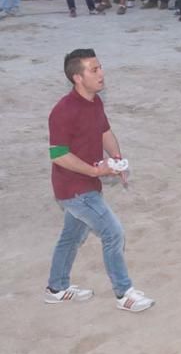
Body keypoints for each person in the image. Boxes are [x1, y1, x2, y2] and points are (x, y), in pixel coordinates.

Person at [45, 49, 154, 313]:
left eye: (100, 67)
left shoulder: (95, 102)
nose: (101, 73)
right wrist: (96, 172)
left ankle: (56, 288)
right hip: (74, 190)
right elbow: (58, 155)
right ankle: (124, 293)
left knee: (71, 237)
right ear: (77, 77)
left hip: (86, 186)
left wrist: (116, 158)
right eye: (94, 70)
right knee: (113, 232)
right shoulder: (63, 111)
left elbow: (104, 131)